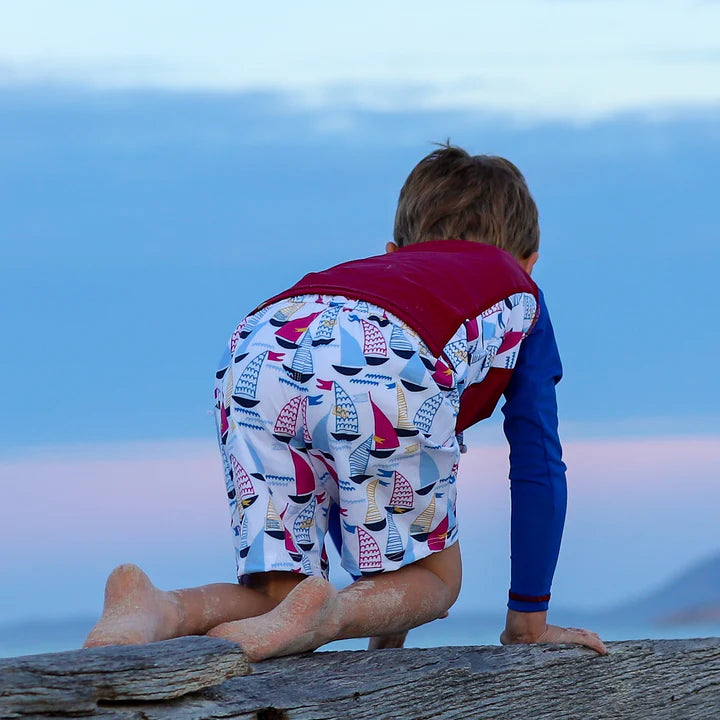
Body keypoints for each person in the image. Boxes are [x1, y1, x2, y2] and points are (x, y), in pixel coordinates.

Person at [84, 145, 607, 661]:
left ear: (392, 249)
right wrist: (527, 623)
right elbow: (537, 460)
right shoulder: (518, 291)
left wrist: (382, 610)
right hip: (394, 352)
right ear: (530, 263)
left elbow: (348, 461)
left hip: (266, 342)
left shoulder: (377, 273)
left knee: (280, 597)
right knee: (437, 580)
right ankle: (325, 616)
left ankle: (157, 609)